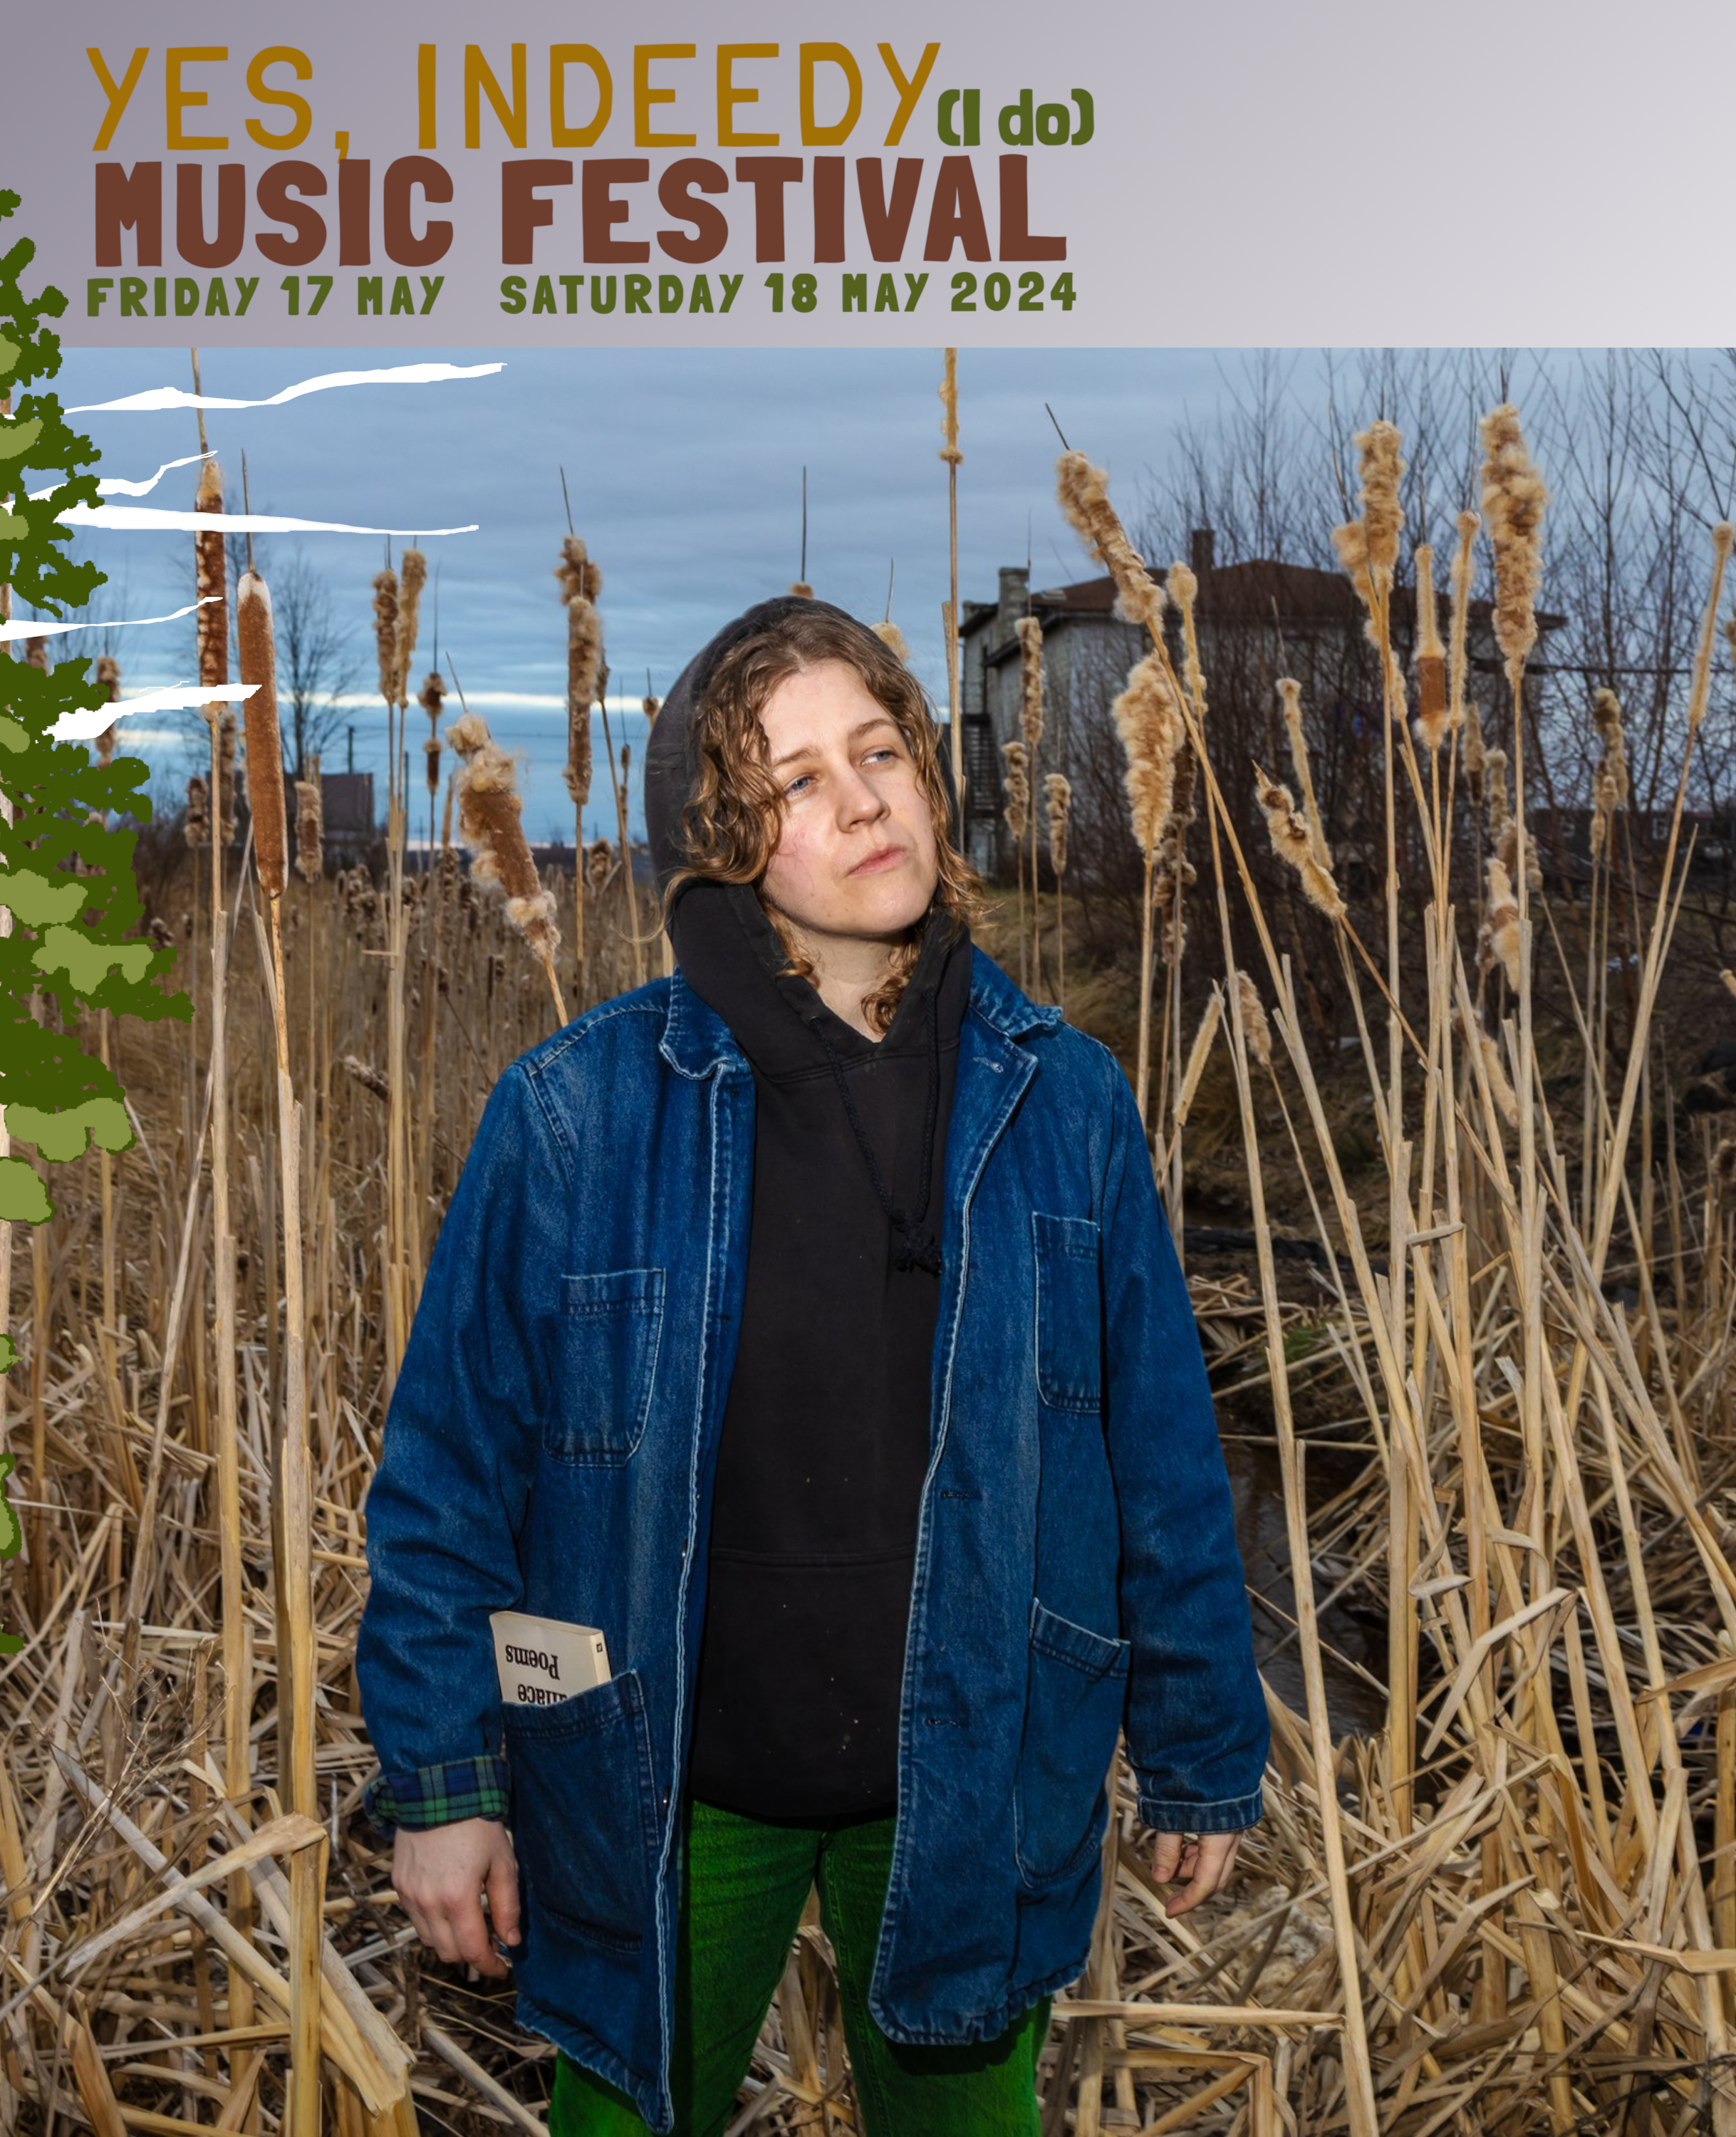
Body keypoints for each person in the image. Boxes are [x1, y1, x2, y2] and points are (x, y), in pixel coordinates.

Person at [358, 596, 1269, 2136]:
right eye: (795, 781)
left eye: (880, 749)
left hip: (969, 1781)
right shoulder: (579, 1115)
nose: (863, 798)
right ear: (725, 841)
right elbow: (450, 1474)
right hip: (664, 1786)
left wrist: (1198, 1747)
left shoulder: (1064, 1100)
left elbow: (1160, 1458)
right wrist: (448, 1789)